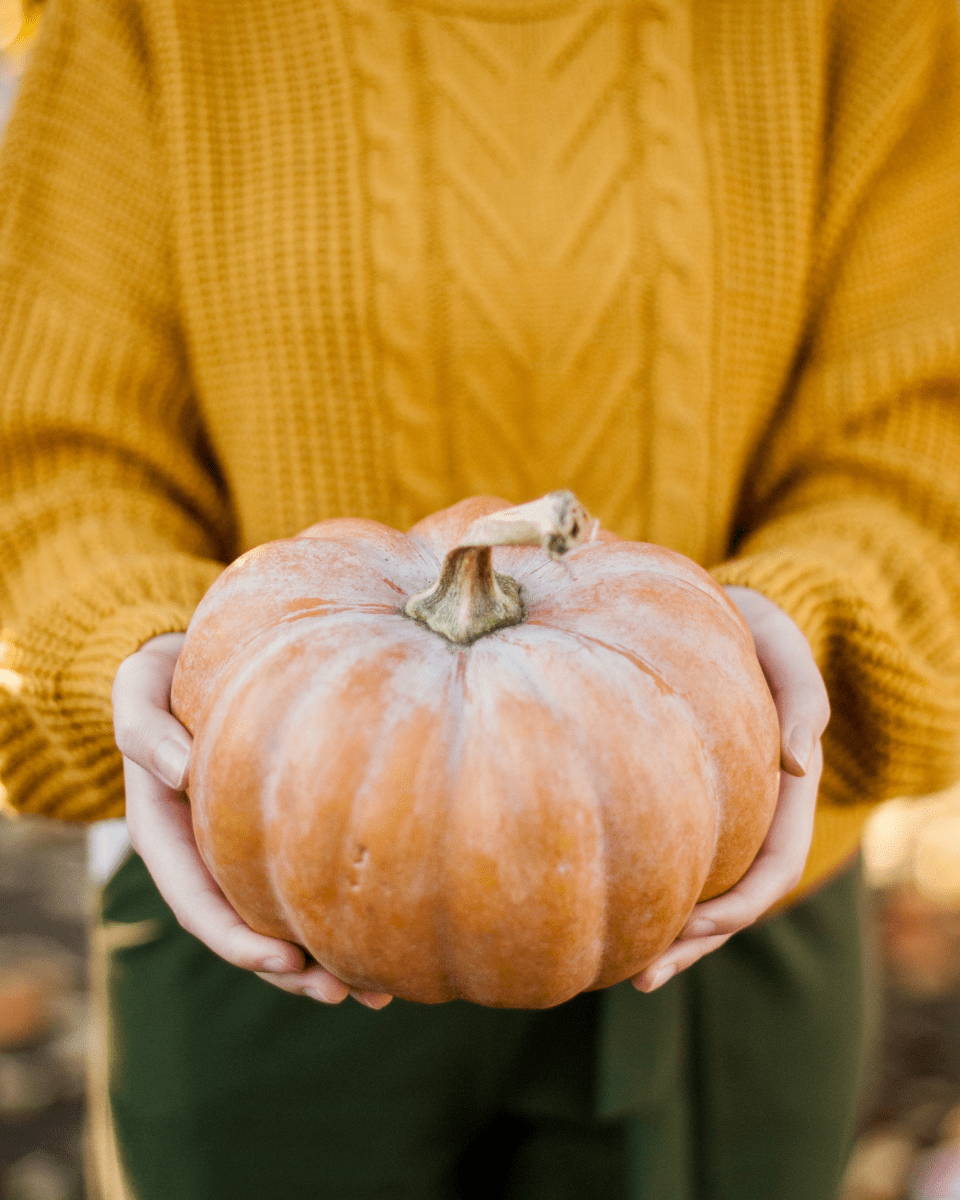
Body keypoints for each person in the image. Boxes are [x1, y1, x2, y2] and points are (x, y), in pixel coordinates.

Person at [1, 0, 960, 1195]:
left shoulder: (865, 21)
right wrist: (142, 651)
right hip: (253, 878)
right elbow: (53, 454)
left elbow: (928, 433)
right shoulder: (150, 22)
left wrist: (757, 664)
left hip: (726, 890)